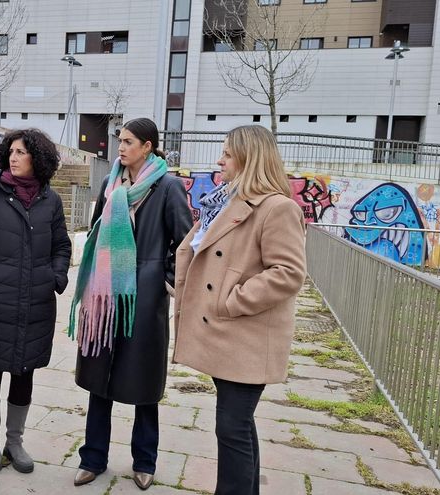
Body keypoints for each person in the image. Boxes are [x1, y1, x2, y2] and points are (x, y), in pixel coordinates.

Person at [172, 125, 306, 495]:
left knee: (231, 426)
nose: (220, 160)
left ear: (250, 158)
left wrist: (231, 299)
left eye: (228, 154)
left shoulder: (277, 208)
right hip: (226, 333)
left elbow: (289, 273)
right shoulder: (226, 202)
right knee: (238, 425)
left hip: (245, 334)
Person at [69, 118, 192, 490]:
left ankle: (145, 461)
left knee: (143, 382)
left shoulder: (168, 186)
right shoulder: (110, 184)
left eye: (128, 141)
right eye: (119, 140)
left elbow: (185, 241)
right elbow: (94, 232)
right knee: (99, 379)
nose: (120, 148)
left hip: (145, 296)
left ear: (148, 146)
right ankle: (92, 458)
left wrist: (162, 277)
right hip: (105, 295)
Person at [0, 128, 72, 474]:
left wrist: (56, 276)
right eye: (12, 151)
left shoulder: (50, 200)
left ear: (39, 159)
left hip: (36, 302)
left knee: (25, 371)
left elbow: (62, 245)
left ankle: (15, 440)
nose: (14, 157)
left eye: (23, 152)